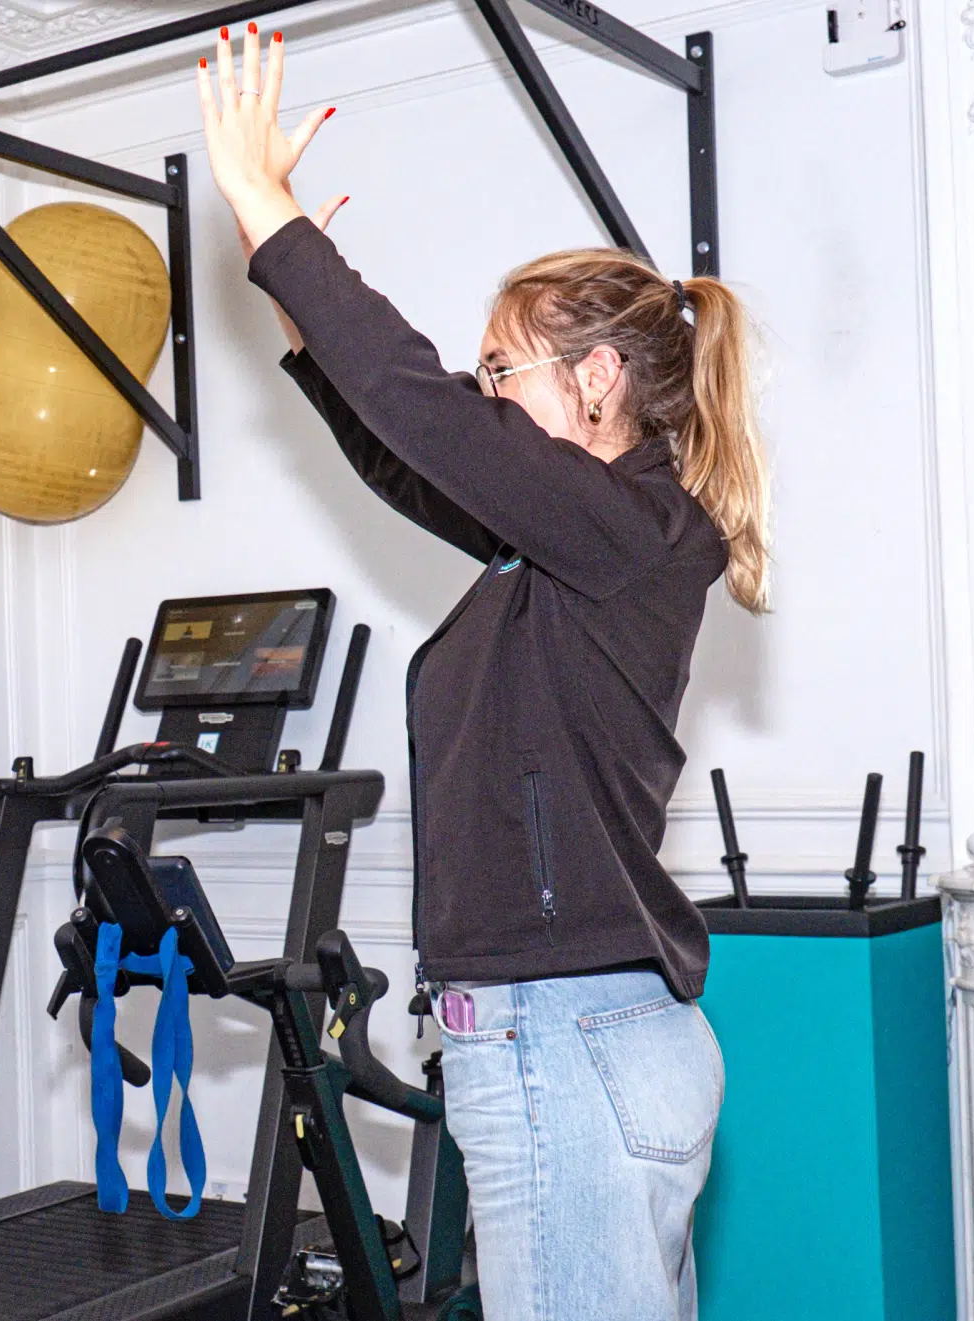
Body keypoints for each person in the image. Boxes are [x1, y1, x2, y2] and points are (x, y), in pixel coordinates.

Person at [197, 27, 769, 1319]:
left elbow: (427, 415)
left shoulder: (628, 531)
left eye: (501, 369)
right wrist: (289, 299)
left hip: (566, 1038)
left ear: (596, 379)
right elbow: (410, 450)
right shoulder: (569, 545)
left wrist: (271, 213)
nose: (481, 393)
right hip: (565, 1034)